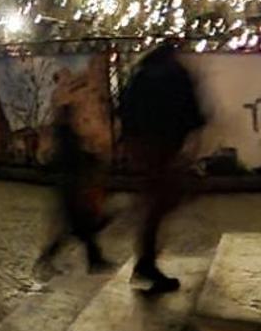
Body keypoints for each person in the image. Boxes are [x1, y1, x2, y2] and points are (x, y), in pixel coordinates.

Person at [118, 42, 206, 293]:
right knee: (160, 201)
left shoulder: (141, 74)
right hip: (163, 145)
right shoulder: (175, 73)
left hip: (144, 145)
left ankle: (145, 259)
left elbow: (126, 109)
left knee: (156, 200)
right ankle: (145, 262)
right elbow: (190, 110)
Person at [37, 101, 109, 272]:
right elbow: (73, 157)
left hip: (69, 187)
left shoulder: (63, 135)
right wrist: (94, 159)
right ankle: (92, 261)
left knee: (78, 229)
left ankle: (93, 260)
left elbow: (58, 160)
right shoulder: (67, 135)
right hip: (71, 188)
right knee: (80, 229)